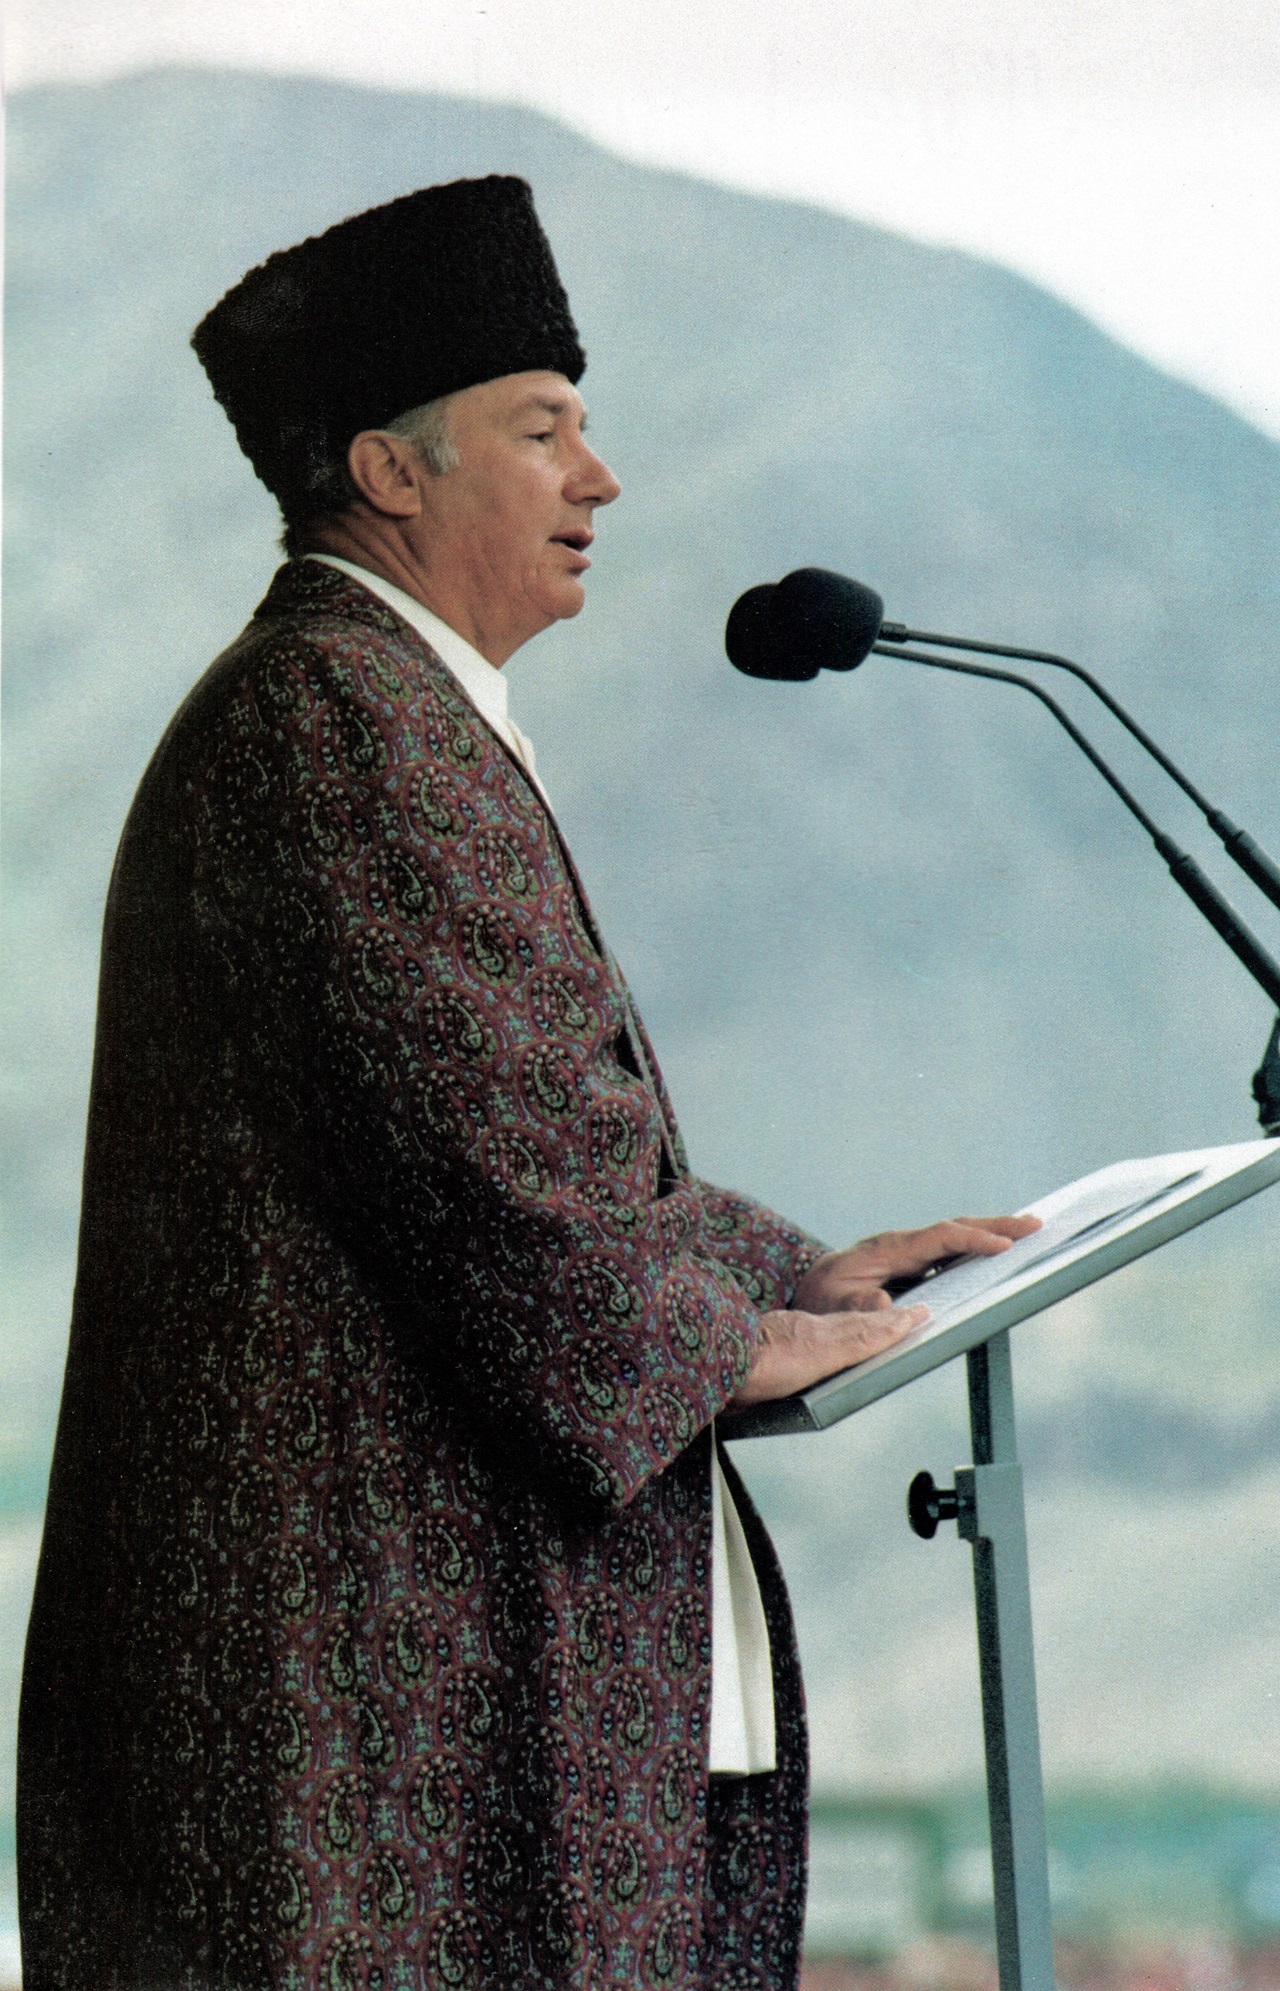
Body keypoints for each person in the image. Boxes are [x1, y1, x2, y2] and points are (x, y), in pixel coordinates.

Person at [16, 176, 1036, 1991]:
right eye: (544, 428)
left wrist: (789, 1273)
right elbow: (514, 1200)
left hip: (401, 1724)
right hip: (356, 1742)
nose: (602, 478)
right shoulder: (335, 723)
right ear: (389, 472)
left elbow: (515, 1131)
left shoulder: (375, 706)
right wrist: (735, 1334)